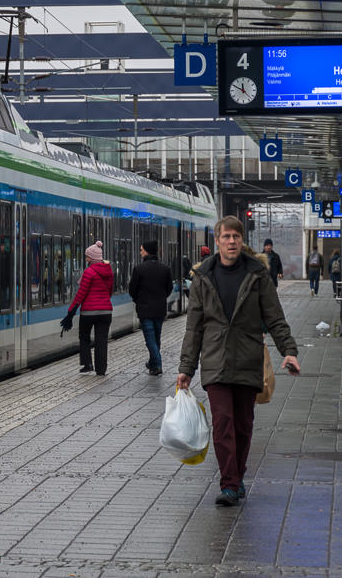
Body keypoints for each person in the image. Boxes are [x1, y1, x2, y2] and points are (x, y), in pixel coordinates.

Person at [178, 215, 300, 507]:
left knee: (243, 425)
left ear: (242, 240)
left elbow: (274, 317)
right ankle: (229, 484)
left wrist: (290, 351)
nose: (231, 241)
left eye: (236, 236)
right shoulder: (203, 276)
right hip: (215, 360)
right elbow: (194, 326)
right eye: (226, 237)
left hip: (247, 358)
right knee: (222, 423)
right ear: (217, 241)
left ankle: (237, 474)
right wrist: (185, 369)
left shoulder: (257, 274)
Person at [60, 240, 114, 375]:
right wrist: (103, 302)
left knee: (84, 336)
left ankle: (88, 364)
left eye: (87, 256)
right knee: (101, 340)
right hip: (106, 311)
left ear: (92, 258)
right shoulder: (109, 271)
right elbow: (110, 291)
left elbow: (81, 294)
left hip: (89, 312)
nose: (86, 258)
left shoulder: (89, 272)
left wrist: (70, 312)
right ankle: (101, 370)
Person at [129, 239, 172, 375]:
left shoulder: (139, 269)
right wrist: (161, 298)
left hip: (145, 309)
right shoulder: (165, 268)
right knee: (156, 337)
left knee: (150, 339)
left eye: (142, 249)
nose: (140, 252)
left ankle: (157, 364)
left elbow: (132, 289)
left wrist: (138, 300)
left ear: (147, 251)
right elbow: (169, 288)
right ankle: (153, 364)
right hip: (160, 309)